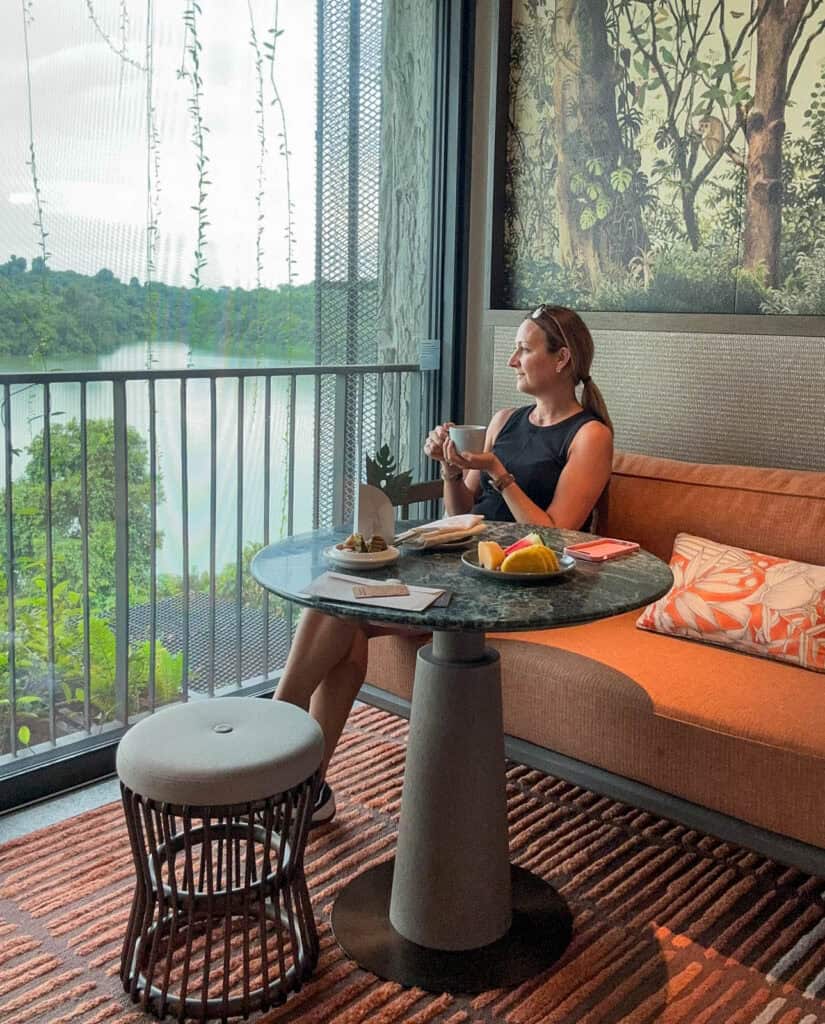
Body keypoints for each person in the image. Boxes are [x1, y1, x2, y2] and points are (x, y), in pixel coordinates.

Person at [274, 304, 614, 825]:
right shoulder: (505, 420)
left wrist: (500, 472)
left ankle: (275, 759)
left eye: (524, 348)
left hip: (522, 592)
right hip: (466, 570)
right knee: (337, 602)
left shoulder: (589, 436)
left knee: (339, 612)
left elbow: (554, 537)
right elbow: (465, 519)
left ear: (562, 358)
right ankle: (302, 783)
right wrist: (452, 470)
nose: (512, 360)